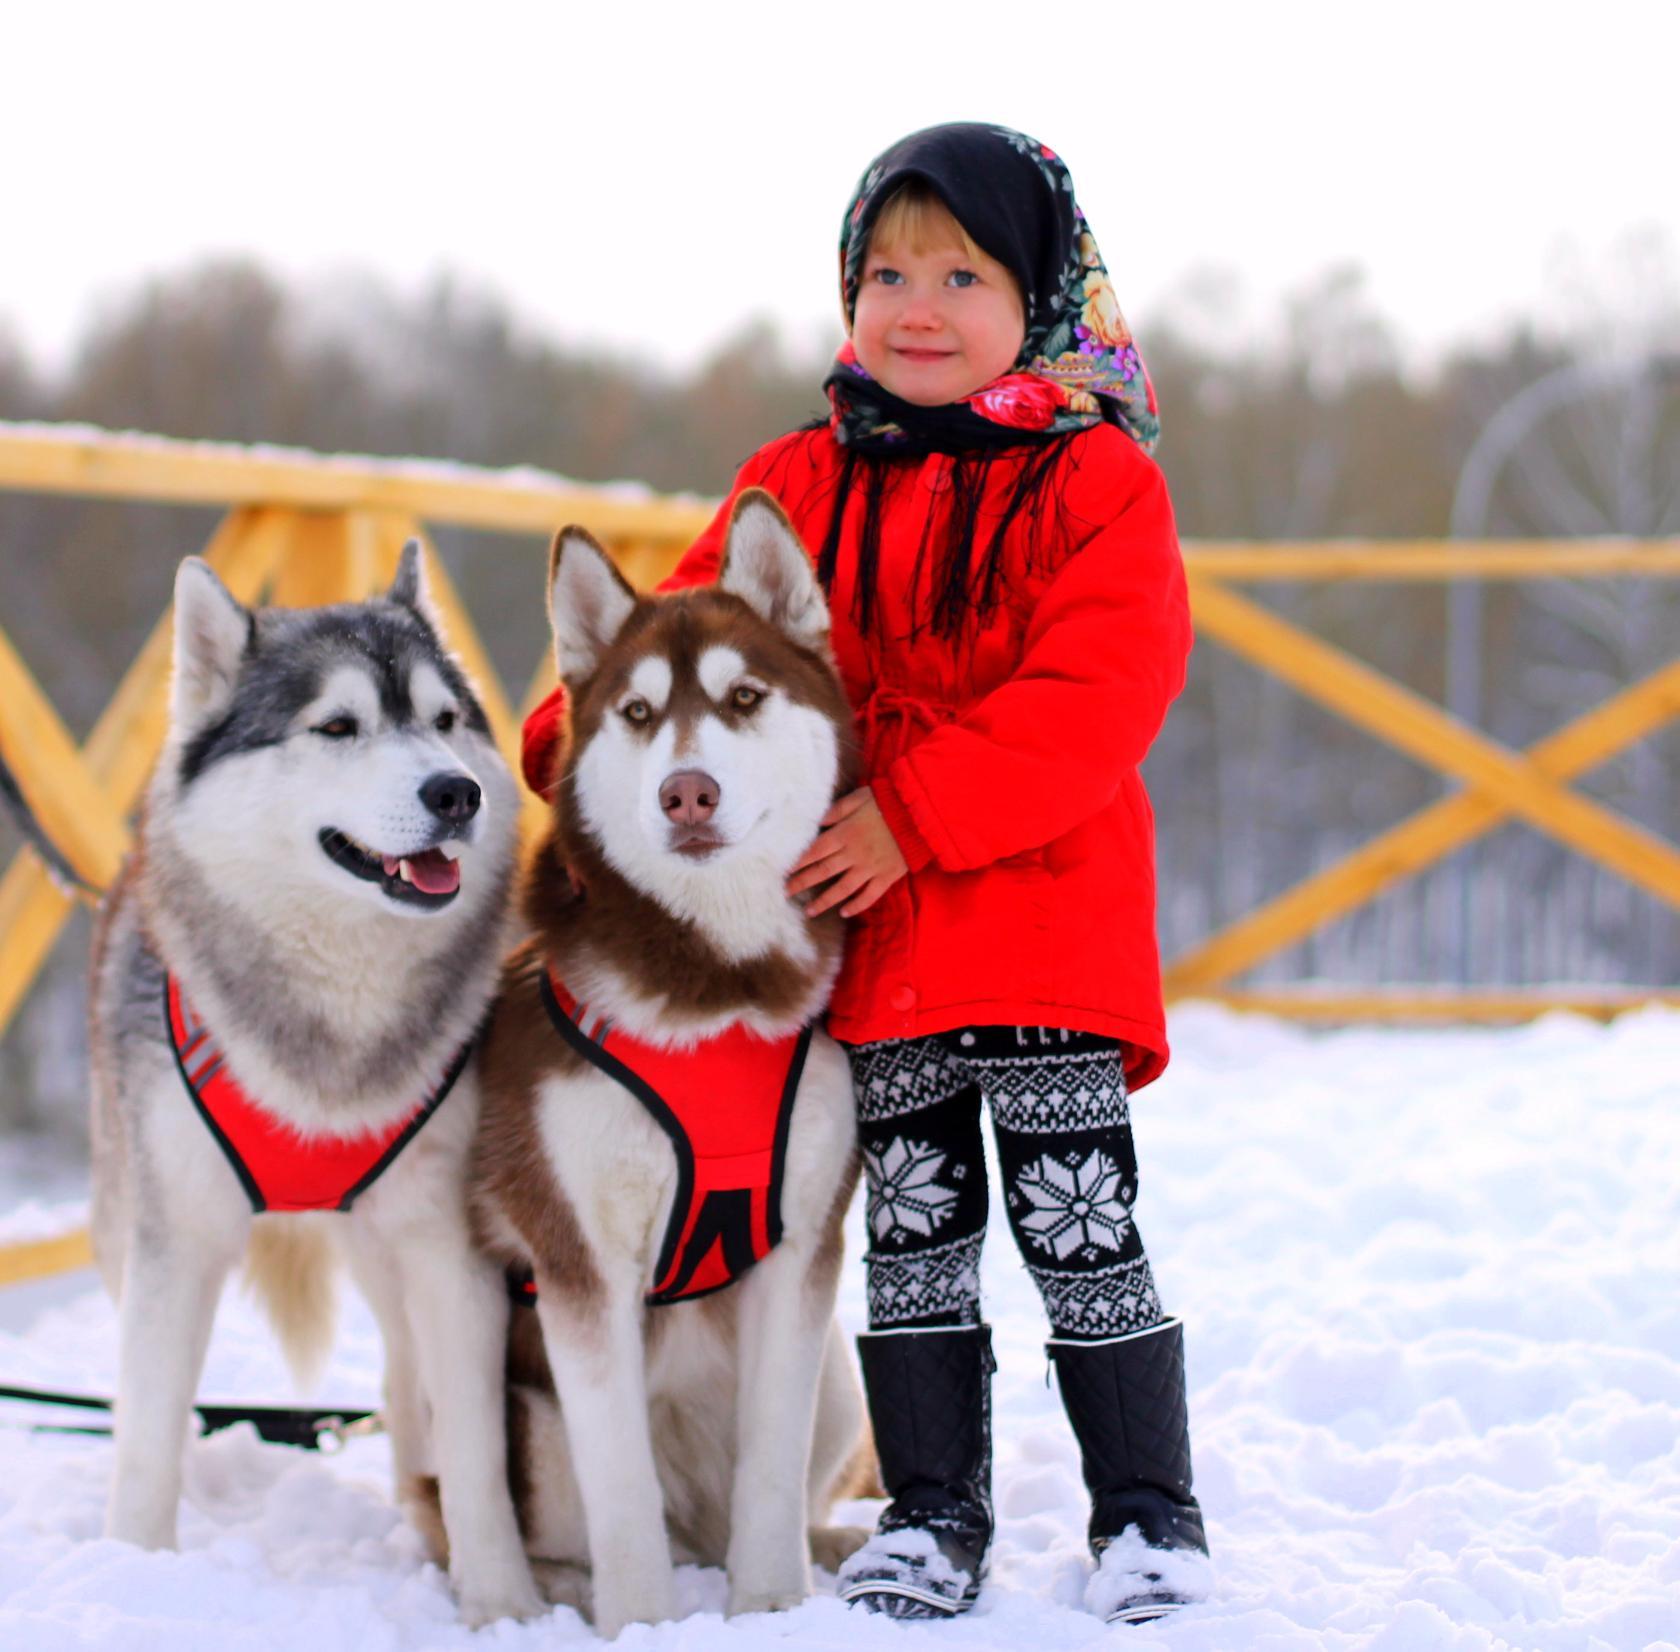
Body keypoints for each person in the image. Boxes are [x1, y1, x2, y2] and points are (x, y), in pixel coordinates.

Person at [520, 121, 1207, 1626]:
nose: (916, 303)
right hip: (873, 954)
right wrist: (582, 748)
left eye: (962, 272)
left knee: (1080, 1225)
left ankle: (1149, 1517)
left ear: (1042, 294)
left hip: (1039, 932)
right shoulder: (801, 476)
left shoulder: (1097, 485)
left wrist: (910, 813)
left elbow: (1095, 693)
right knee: (911, 1237)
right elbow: (669, 645)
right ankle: (933, 1513)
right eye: (885, 270)